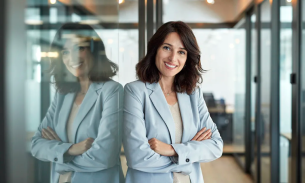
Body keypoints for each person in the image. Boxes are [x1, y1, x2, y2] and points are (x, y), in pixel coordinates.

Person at [123, 21, 223, 183]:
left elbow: (216, 146)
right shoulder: (135, 91)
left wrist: (171, 149)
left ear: (187, 57)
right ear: (155, 49)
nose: (173, 58)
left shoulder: (193, 93)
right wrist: (188, 158)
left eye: (181, 52)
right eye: (167, 48)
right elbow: (137, 157)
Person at [31, 23, 124, 183]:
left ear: (94, 50)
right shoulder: (62, 95)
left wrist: (59, 156)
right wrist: (72, 149)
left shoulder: (112, 91)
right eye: (65, 51)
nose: (72, 58)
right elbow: (36, 145)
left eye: (79, 48)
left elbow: (104, 156)